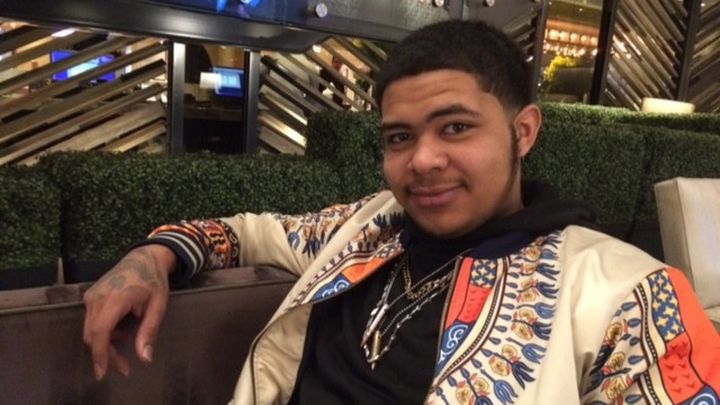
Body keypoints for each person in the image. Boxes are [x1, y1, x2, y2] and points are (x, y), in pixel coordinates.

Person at [83, 20, 720, 404]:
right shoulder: (369, 228)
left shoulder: (628, 294)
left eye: (455, 127)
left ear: (523, 131)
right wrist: (152, 258)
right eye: (399, 137)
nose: (422, 160)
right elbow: (244, 233)